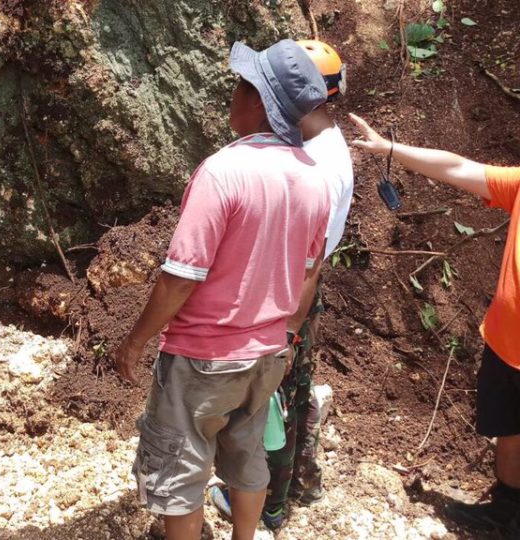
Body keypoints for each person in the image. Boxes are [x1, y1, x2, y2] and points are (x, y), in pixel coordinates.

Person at [111, 39, 330, 540]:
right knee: (247, 455)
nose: (231, 94)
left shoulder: (223, 171)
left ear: (258, 102)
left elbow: (180, 276)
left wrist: (136, 340)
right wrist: (288, 334)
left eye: (240, 85)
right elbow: (308, 273)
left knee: (181, 473)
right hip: (266, 353)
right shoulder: (315, 181)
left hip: (204, 356)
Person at [350, 113, 520, 536]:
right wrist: (391, 149)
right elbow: (458, 168)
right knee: (510, 431)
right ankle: (506, 509)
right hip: (504, 342)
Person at [209, 39, 354, 530]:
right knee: (289, 391)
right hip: (293, 292)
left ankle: (269, 501)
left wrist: (286, 330)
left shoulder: (319, 165)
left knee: (275, 400)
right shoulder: (322, 144)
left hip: (289, 297)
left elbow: (308, 260)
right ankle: (292, 484)